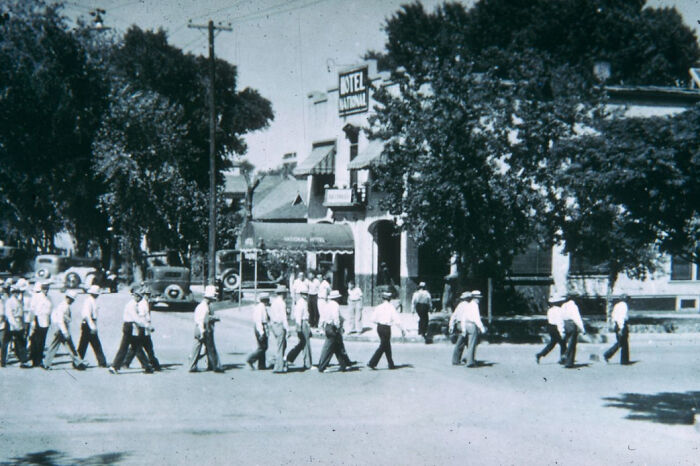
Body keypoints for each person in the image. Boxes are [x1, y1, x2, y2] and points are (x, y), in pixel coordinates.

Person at [109, 287, 153, 374]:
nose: (140, 299)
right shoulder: (131, 305)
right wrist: (146, 325)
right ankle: (114, 366)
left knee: (136, 346)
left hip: (132, 326)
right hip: (129, 326)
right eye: (139, 297)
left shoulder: (135, 304)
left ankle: (147, 366)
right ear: (135, 296)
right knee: (124, 347)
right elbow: (136, 318)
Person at [43, 290, 86, 370]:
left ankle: (78, 362)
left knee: (62, 346)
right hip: (60, 328)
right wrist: (65, 332)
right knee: (65, 346)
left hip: (60, 328)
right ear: (67, 297)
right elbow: (60, 320)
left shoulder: (64, 305)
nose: (72, 301)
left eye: (72, 299)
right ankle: (78, 363)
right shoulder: (63, 306)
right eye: (70, 299)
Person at [189, 285, 223, 373]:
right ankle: (215, 366)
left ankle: (192, 365)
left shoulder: (203, 306)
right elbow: (201, 321)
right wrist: (203, 332)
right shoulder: (204, 307)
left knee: (197, 348)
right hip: (203, 328)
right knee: (210, 347)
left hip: (200, 328)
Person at [125, 287, 160, 370]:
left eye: (149, 294)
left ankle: (126, 362)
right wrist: (148, 326)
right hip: (143, 328)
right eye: (146, 294)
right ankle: (152, 364)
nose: (148, 296)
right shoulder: (142, 304)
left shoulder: (146, 303)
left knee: (138, 347)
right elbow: (142, 317)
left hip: (145, 328)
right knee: (144, 347)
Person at [367, 291, 405, 369]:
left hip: (379, 327)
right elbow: (397, 320)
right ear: (390, 299)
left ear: (382, 298)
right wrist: (402, 329)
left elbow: (372, 319)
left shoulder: (378, 307)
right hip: (387, 328)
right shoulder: (391, 308)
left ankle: (391, 363)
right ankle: (372, 362)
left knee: (386, 345)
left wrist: (379, 322)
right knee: (383, 345)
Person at [317, 290, 351, 372]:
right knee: (329, 348)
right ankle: (322, 366)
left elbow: (322, 317)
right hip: (333, 328)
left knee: (338, 346)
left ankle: (344, 364)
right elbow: (336, 318)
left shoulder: (326, 305)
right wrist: (339, 327)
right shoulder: (335, 305)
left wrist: (320, 328)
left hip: (327, 327)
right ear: (336, 298)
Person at [452, 290, 486, 367]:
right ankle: (470, 361)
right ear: (476, 298)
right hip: (472, 325)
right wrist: (482, 328)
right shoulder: (475, 306)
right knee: (472, 344)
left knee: (462, 342)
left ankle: (456, 359)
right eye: (478, 298)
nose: (479, 300)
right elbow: (477, 318)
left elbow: (463, 317)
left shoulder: (468, 305)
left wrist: (463, 329)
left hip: (465, 324)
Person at [77, 285, 108, 368]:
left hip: (91, 323)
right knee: (86, 344)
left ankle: (77, 361)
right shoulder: (88, 301)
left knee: (90, 344)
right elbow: (87, 315)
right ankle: (102, 362)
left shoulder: (93, 301)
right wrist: (92, 327)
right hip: (88, 324)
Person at [2, 284, 31, 368]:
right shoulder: (9, 302)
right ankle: (3, 361)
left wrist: (21, 325)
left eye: (17, 292)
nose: (16, 293)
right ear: (11, 292)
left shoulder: (18, 301)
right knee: (6, 343)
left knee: (21, 343)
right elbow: (9, 314)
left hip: (18, 323)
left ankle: (23, 361)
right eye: (14, 292)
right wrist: (14, 325)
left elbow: (21, 314)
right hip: (11, 324)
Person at [286, 286, 312, 369]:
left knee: (301, 343)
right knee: (306, 344)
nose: (306, 296)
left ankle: (289, 357)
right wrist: (299, 327)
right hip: (303, 323)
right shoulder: (301, 303)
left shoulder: (303, 302)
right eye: (304, 294)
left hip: (305, 322)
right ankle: (308, 364)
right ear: (301, 294)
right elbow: (298, 316)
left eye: (307, 294)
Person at [536, 295, 566, 364]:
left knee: (552, 343)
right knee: (563, 343)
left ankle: (540, 354)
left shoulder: (550, 310)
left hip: (550, 327)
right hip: (556, 327)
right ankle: (563, 358)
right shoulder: (559, 310)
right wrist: (562, 332)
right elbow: (559, 322)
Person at [28, 281, 52, 367]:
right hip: (38, 320)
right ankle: (35, 360)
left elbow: (49, 310)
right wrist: (33, 322)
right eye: (44, 288)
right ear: (41, 288)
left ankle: (39, 359)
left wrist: (50, 320)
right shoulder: (37, 297)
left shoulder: (48, 297)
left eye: (47, 288)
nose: (46, 290)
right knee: (36, 341)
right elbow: (33, 310)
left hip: (46, 321)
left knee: (42, 342)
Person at [604, 294, 631, 365]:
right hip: (621, 325)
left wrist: (615, 325)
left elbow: (613, 316)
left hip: (616, 325)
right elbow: (622, 318)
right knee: (623, 343)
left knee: (621, 342)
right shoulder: (624, 306)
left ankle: (623, 360)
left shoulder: (617, 305)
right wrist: (621, 328)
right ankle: (608, 355)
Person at [561, 295, 586, 368]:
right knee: (572, 343)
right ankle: (569, 361)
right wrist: (582, 328)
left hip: (565, 324)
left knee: (567, 342)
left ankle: (566, 357)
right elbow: (577, 318)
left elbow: (561, 316)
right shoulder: (574, 306)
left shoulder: (563, 306)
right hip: (572, 324)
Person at [269, 285, 290, 373]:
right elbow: (283, 317)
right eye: (285, 293)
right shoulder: (282, 303)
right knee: (281, 346)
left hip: (274, 324)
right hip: (280, 324)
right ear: (283, 293)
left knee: (280, 345)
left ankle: (278, 364)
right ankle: (279, 367)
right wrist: (287, 329)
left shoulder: (274, 302)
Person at [246, 293, 270, 370]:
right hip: (260, 327)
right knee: (263, 347)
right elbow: (259, 321)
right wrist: (262, 332)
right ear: (265, 300)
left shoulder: (262, 307)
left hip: (262, 327)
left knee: (263, 346)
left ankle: (262, 365)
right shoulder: (260, 308)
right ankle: (251, 359)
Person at [449, 292, 470, 365]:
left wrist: (451, 325)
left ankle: (469, 358)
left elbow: (454, 315)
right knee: (462, 341)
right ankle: (456, 360)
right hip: (464, 324)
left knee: (467, 341)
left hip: (458, 324)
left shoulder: (460, 305)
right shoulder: (468, 305)